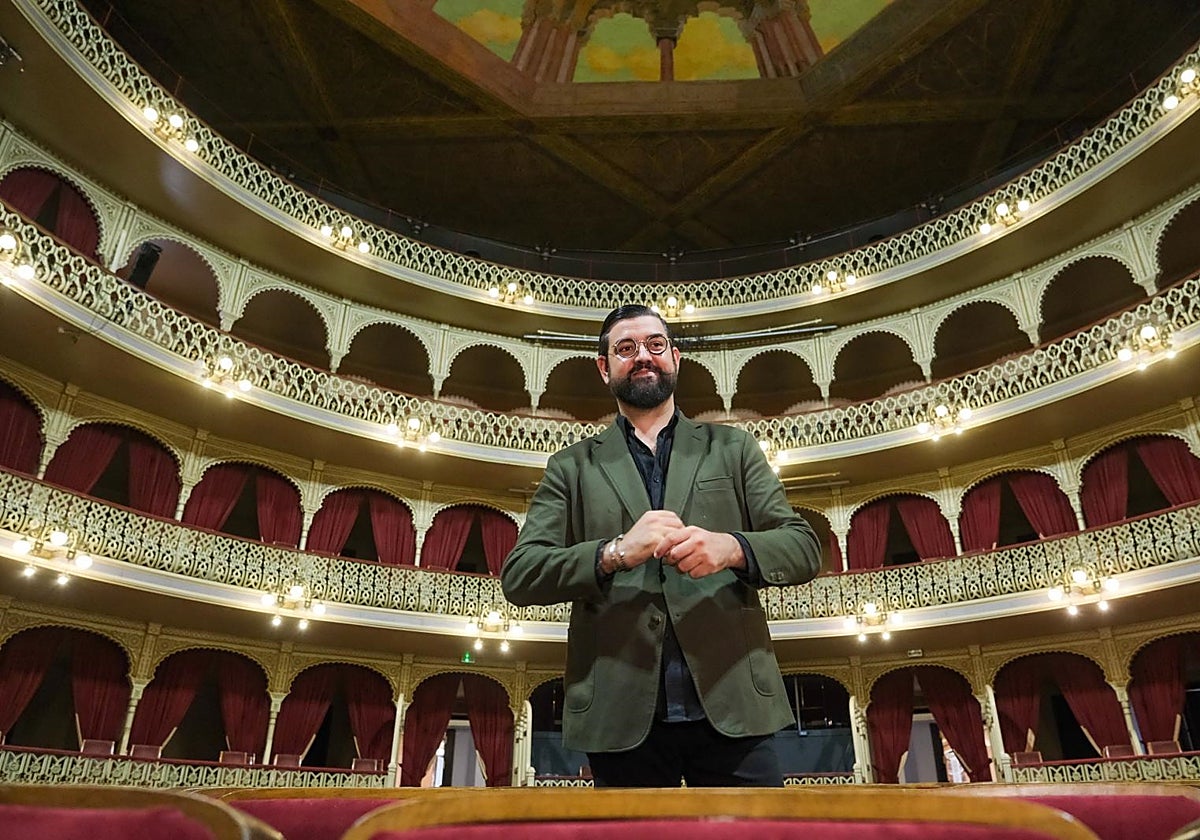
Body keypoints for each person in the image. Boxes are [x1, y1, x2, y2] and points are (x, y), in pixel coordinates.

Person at [501, 304, 821, 787]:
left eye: (655, 344)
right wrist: (614, 553)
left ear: (675, 357)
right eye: (625, 348)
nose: (643, 356)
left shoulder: (733, 448)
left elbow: (802, 547)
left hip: (734, 701)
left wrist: (731, 548)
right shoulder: (571, 466)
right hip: (620, 715)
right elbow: (521, 574)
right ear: (604, 367)